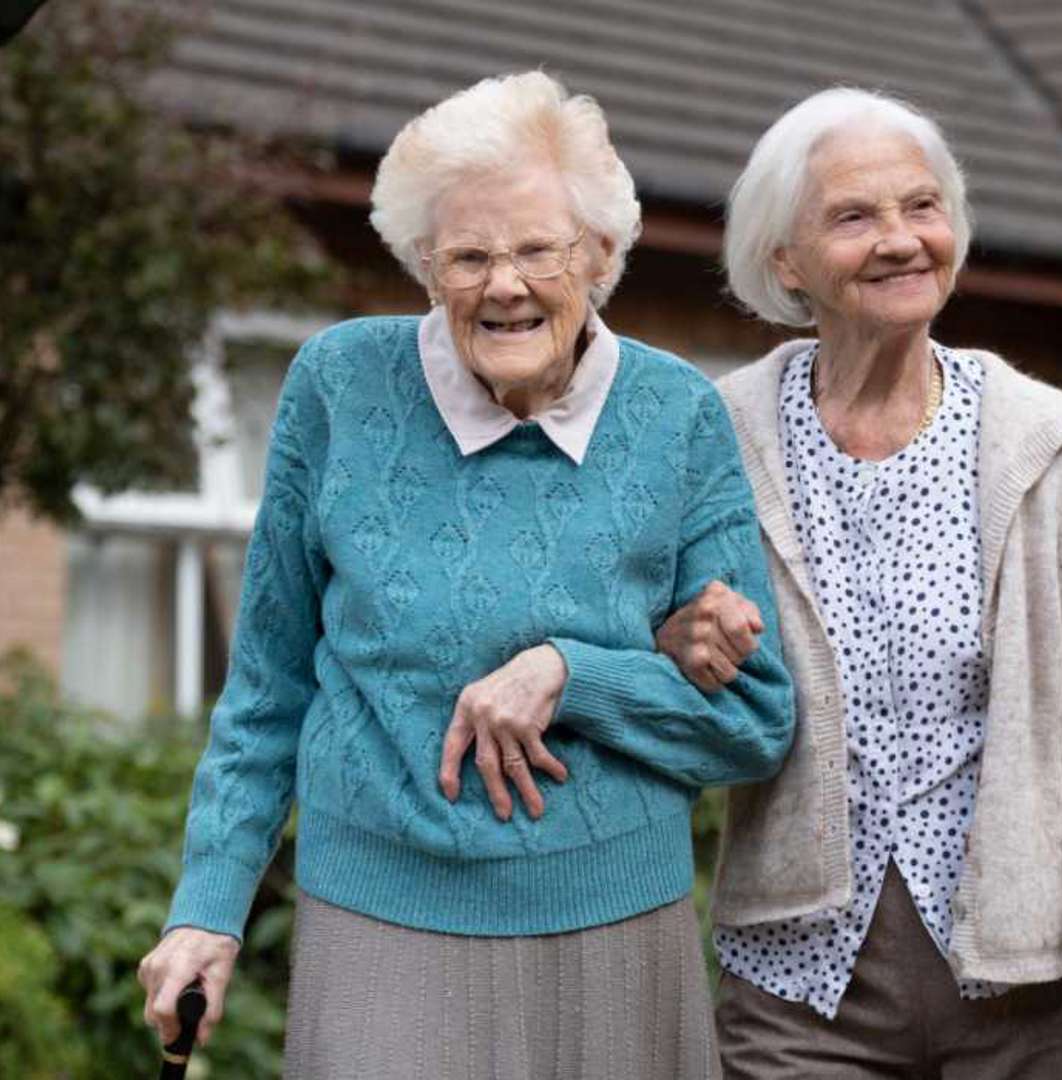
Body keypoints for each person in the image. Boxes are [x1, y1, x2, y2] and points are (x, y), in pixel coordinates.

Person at [137, 71, 794, 1080]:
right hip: (379, 911)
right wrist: (207, 912)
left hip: (614, 925)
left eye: (538, 250)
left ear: (602, 258)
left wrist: (575, 673)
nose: (505, 285)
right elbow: (269, 681)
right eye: (468, 257)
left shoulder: (678, 417)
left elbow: (754, 719)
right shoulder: (338, 388)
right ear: (423, 268)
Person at [656, 86, 1062, 1078]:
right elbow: (638, 637)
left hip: (1031, 976)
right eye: (854, 217)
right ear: (782, 260)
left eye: (922, 207)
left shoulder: (1050, 447)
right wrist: (675, 642)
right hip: (799, 982)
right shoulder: (712, 440)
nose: (900, 240)